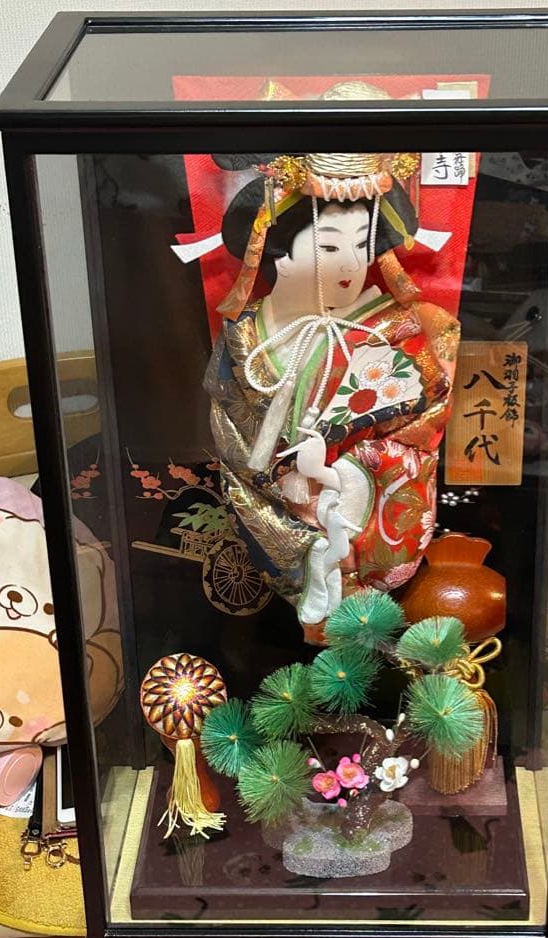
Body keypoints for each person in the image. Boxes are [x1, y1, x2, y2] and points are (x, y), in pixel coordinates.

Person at [194, 150, 460, 642]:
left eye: (361, 245)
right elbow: (230, 437)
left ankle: (350, 604)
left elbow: (420, 436)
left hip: (360, 522)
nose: (352, 264)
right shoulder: (246, 339)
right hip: (277, 521)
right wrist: (281, 483)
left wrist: (339, 471)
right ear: (278, 249)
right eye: (330, 245)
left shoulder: (399, 331)